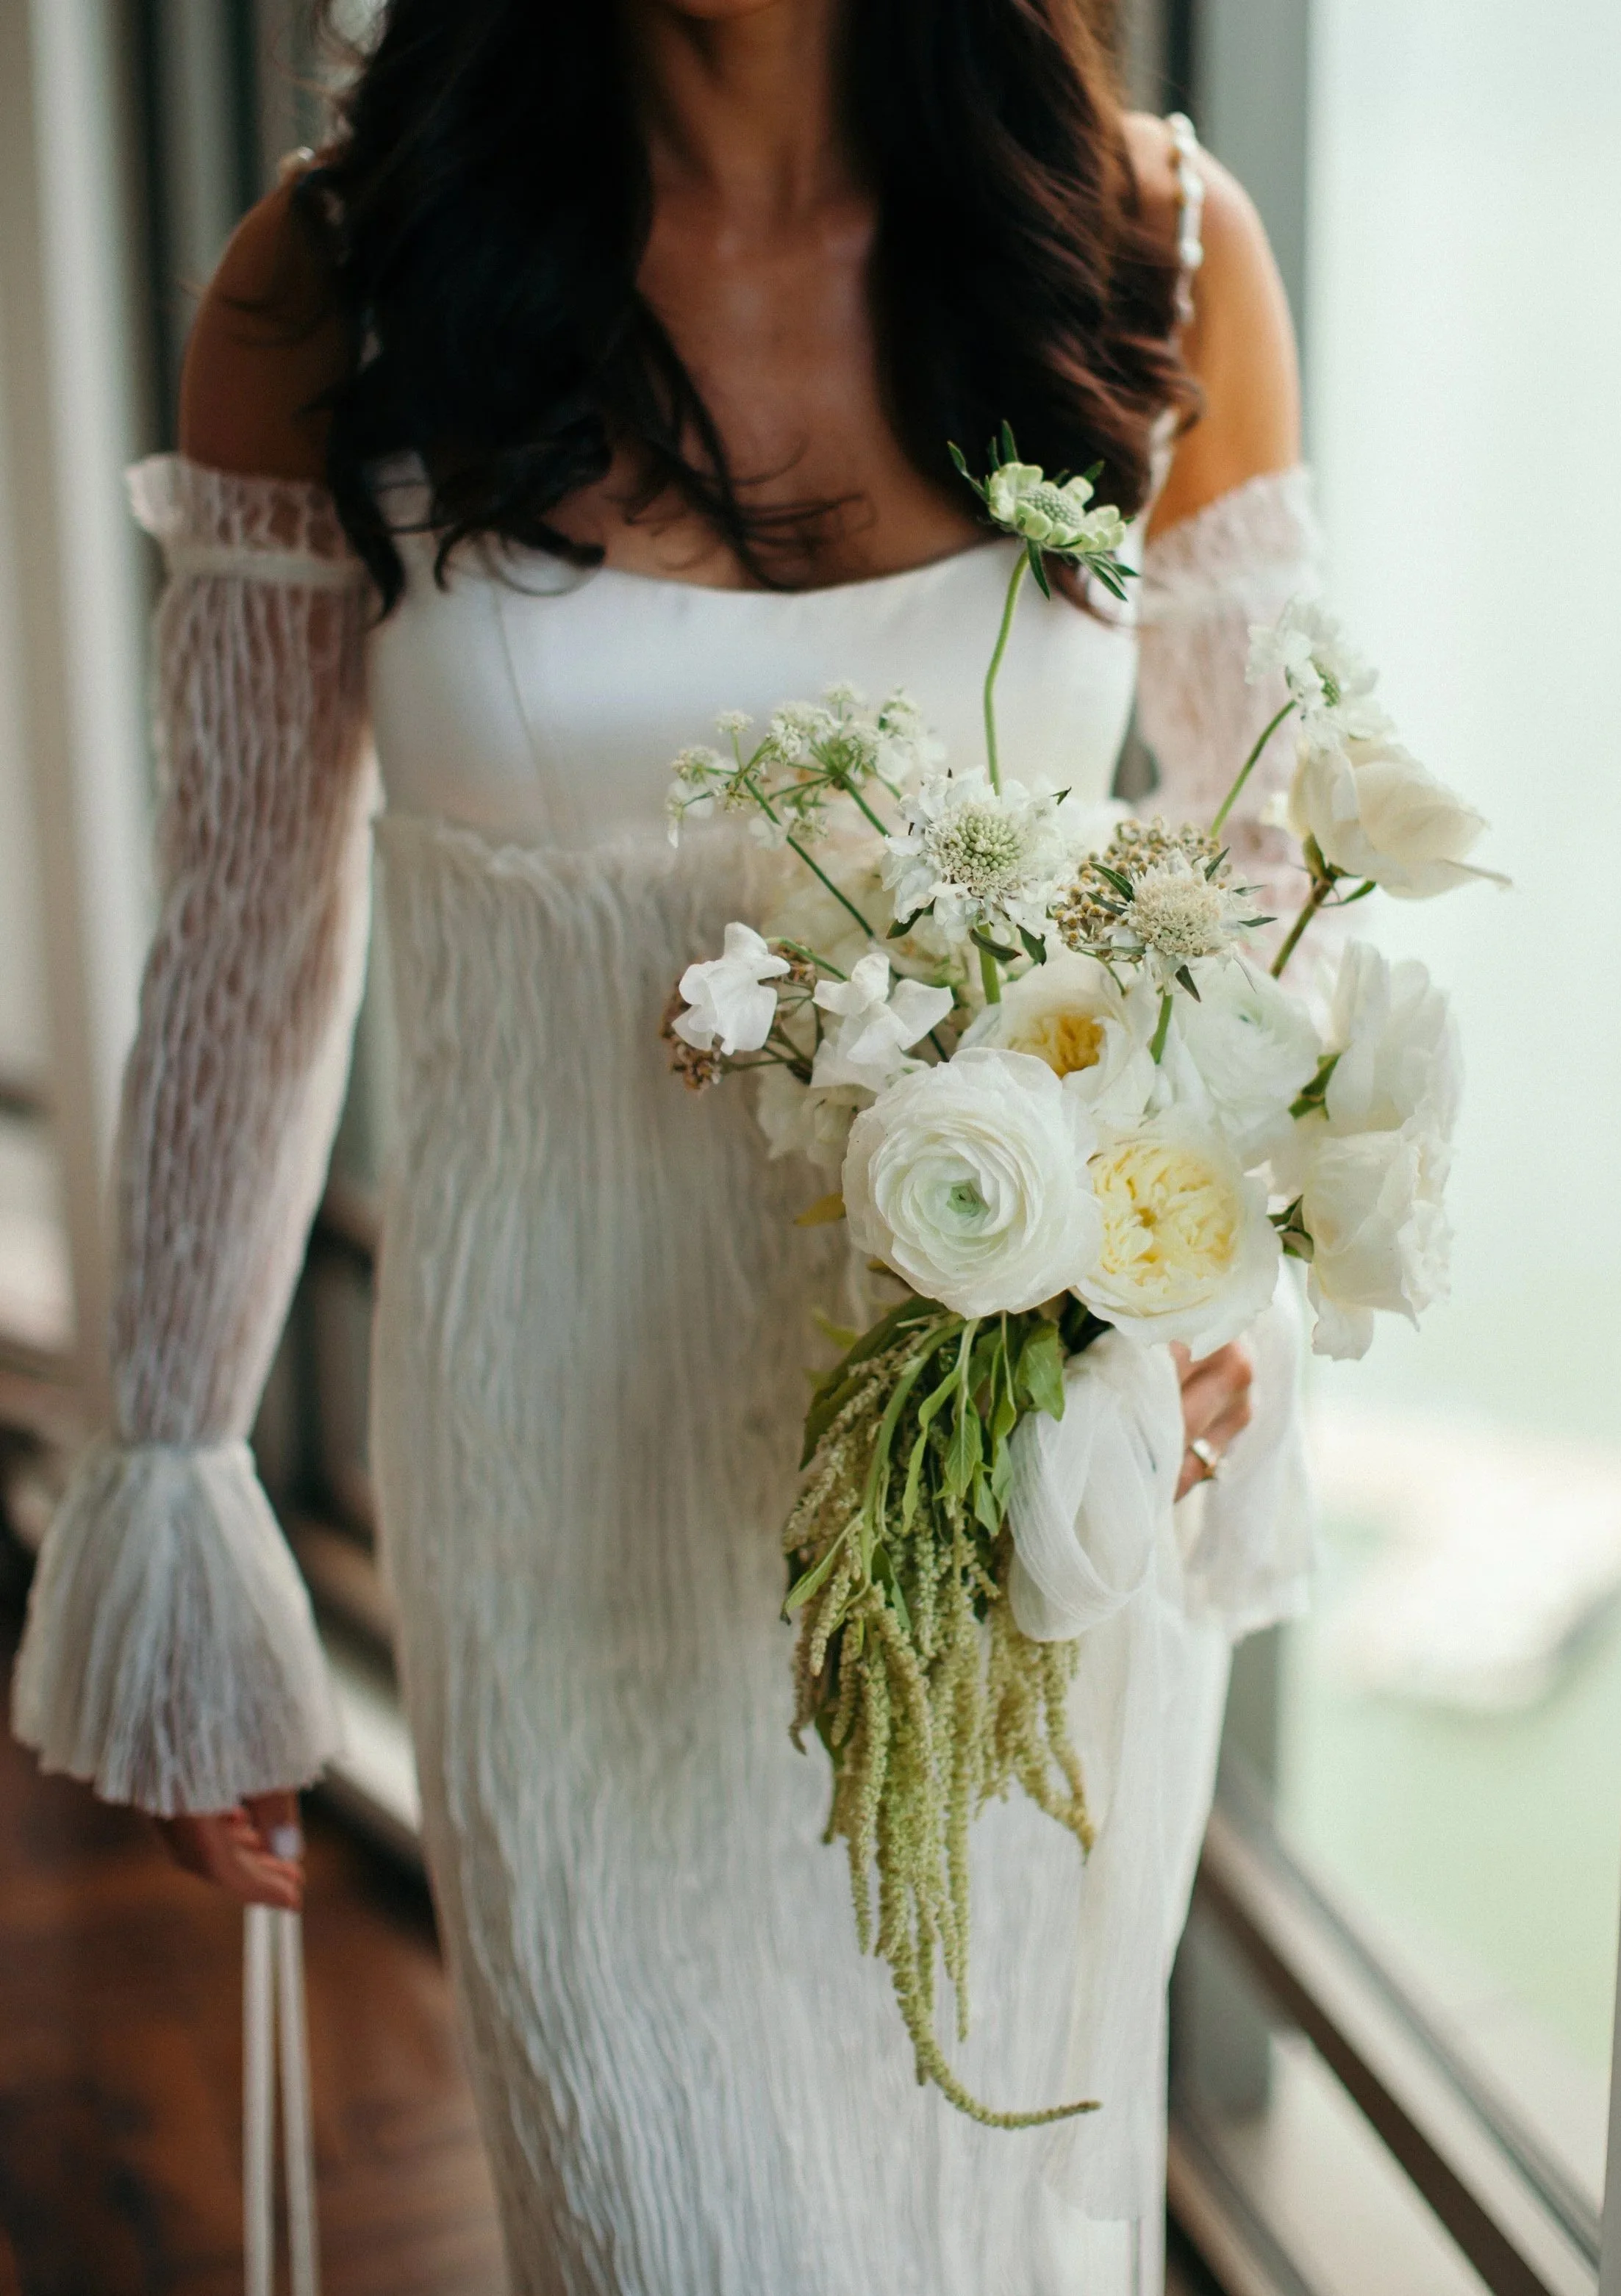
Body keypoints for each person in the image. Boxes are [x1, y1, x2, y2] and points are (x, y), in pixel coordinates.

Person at [12, 1, 1320, 2287]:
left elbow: (1274, 846)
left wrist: (1224, 1273)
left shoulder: (1155, 241)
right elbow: (245, 931)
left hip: (1012, 1465)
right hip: (556, 1470)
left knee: (990, 2213)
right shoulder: (333, 278)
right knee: (663, 2225)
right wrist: (179, 1476)